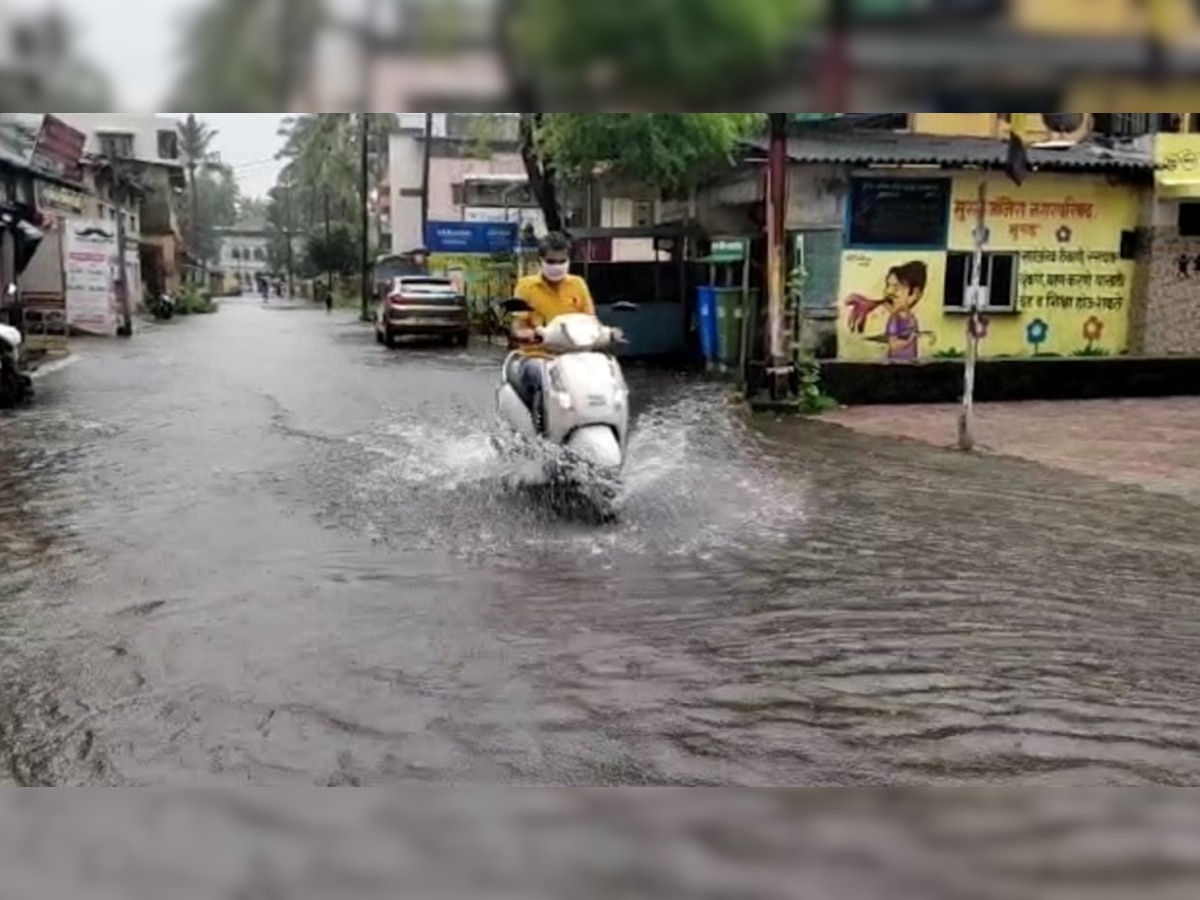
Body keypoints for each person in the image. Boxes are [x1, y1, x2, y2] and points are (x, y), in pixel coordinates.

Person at [509, 232, 615, 433]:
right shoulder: (526, 286)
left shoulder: (578, 284)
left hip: (576, 356)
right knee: (542, 376)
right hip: (537, 356)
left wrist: (607, 333)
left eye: (561, 260)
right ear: (541, 260)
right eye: (551, 260)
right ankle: (541, 432)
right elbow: (517, 324)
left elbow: (591, 320)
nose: (557, 265)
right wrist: (527, 334)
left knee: (606, 374)